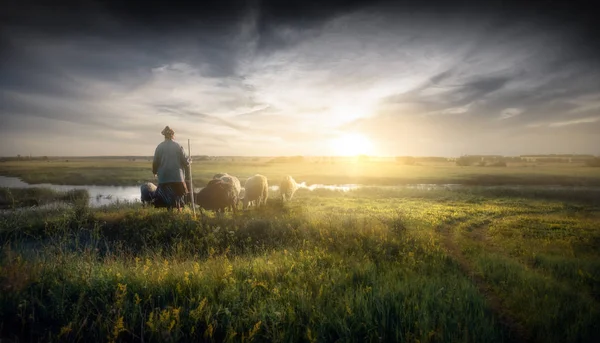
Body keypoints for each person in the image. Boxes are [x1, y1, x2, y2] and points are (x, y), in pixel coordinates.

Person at [152, 126, 191, 212]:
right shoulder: (178, 146)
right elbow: (185, 161)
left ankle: (169, 212)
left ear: (164, 136)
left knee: (166, 198)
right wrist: (189, 161)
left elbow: (155, 162)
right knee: (178, 197)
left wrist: (154, 171)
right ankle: (178, 213)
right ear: (173, 135)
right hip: (177, 177)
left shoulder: (159, 147)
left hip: (164, 178)